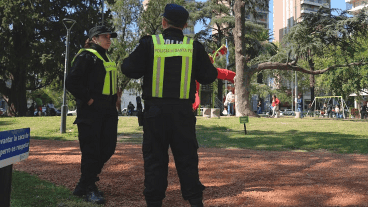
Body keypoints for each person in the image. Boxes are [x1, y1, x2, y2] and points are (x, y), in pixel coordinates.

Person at [121, 4, 218, 207]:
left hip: (155, 113)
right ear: (184, 25)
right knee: (187, 158)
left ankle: (154, 202)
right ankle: (195, 201)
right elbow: (209, 76)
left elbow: (129, 69)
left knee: (155, 159)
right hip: (183, 113)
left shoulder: (150, 44)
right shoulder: (193, 47)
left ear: (163, 22)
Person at [65, 24, 118, 204]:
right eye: (105, 37)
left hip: (108, 111)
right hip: (91, 111)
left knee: (108, 147)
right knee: (91, 151)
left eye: (110, 37)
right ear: (94, 39)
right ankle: (89, 187)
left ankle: (84, 183)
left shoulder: (106, 57)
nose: (109, 40)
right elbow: (71, 81)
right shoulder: (86, 56)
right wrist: (88, 100)